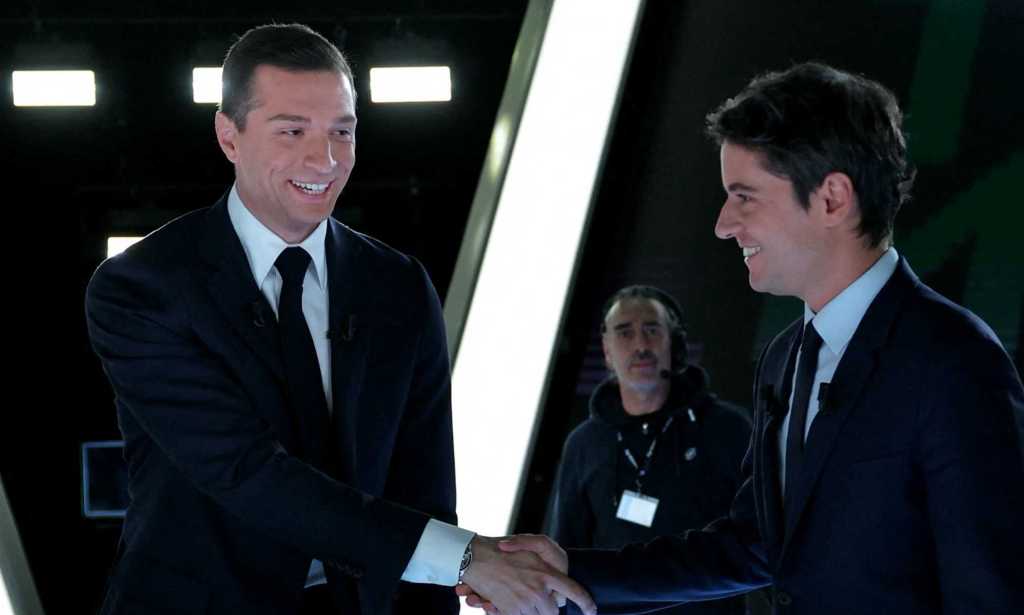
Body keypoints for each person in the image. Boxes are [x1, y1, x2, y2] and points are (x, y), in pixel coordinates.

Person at [464, 62, 1024, 614]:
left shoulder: (953, 360)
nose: (723, 224)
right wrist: (567, 576)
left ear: (832, 198)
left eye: (745, 196)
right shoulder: (784, 360)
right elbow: (755, 545)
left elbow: (989, 592)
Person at [85, 23, 594, 615]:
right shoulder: (141, 288)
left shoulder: (398, 286)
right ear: (229, 135)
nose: (323, 159)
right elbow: (246, 471)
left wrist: (456, 572)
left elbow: (423, 491)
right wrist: (468, 558)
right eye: (292, 131)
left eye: (342, 132)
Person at [549, 285, 750, 615]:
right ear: (607, 350)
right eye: (625, 333)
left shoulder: (729, 429)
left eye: (652, 331)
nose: (641, 345)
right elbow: (567, 554)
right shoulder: (584, 443)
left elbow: (760, 539)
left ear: (675, 343)